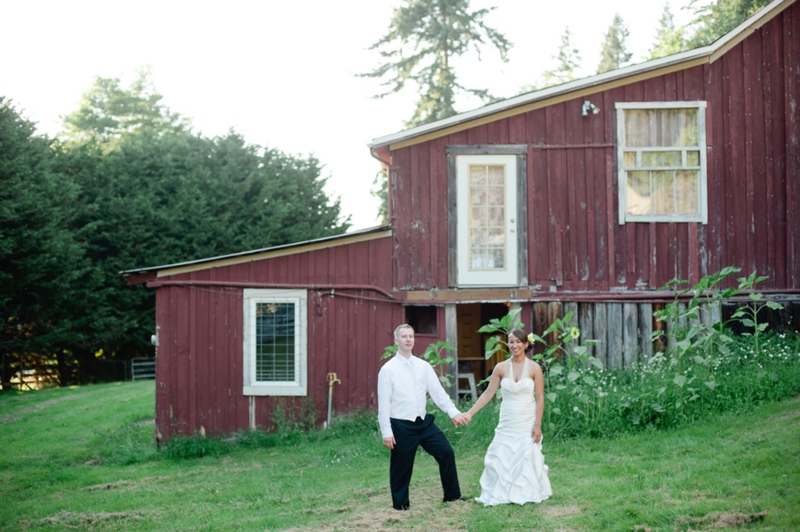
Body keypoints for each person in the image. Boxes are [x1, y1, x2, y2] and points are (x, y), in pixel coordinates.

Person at [378, 324, 470, 511]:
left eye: (411, 336)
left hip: (424, 423)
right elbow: (383, 404)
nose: (408, 339)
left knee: (446, 453)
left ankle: (452, 498)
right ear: (396, 341)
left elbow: (438, 394)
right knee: (401, 466)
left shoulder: (423, 366)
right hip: (401, 425)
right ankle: (401, 505)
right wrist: (386, 432)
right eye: (404, 336)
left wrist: (454, 413)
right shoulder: (388, 370)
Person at [463, 328, 552, 506]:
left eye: (518, 342)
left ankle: (526, 491)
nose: (514, 345)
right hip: (508, 419)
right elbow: (488, 394)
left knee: (526, 454)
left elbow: (540, 398)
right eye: (511, 342)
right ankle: (499, 491)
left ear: (526, 344)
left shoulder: (535, 368)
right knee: (502, 453)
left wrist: (538, 425)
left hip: (527, 419)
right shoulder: (500, 368)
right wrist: (469, 413)